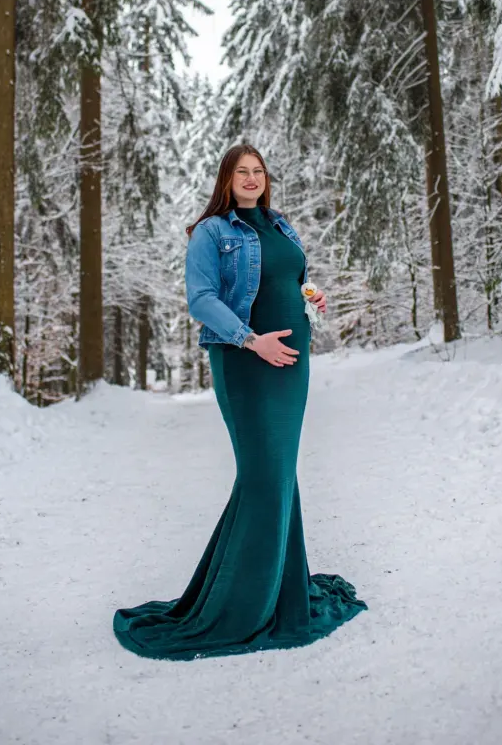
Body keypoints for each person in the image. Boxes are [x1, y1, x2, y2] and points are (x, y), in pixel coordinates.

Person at [113, 144, 367, 660]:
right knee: (264, 477)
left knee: (279, 476)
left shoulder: (281, 226)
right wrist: (253, 340)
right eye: (241, 172)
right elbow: (202, 300)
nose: (251, 178)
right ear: (226, 180)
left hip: (291, 366)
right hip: (246, 362)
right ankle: (239, 608)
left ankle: (282, 591)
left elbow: (288, 282)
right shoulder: (212, 232)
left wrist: (309, 299)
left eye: (258, 171)